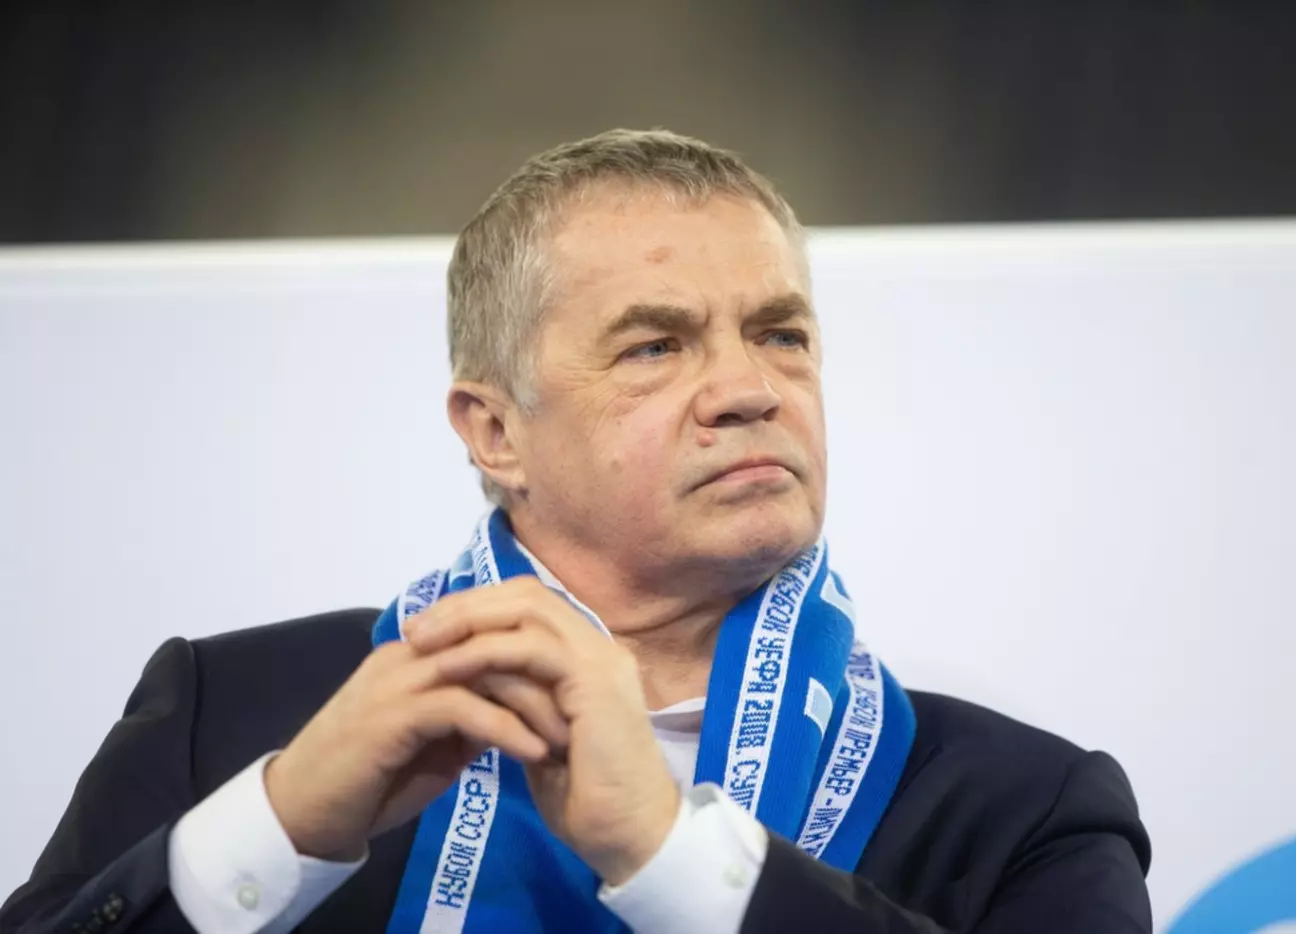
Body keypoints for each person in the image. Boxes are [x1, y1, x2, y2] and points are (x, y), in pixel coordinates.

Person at [0, 129, 1151, 934]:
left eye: (780, 334)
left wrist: (669, 854)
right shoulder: (233, 714)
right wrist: (277, 830)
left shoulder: (1023, 805)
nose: (749, 389)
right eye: (654, 345)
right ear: (495, 430)